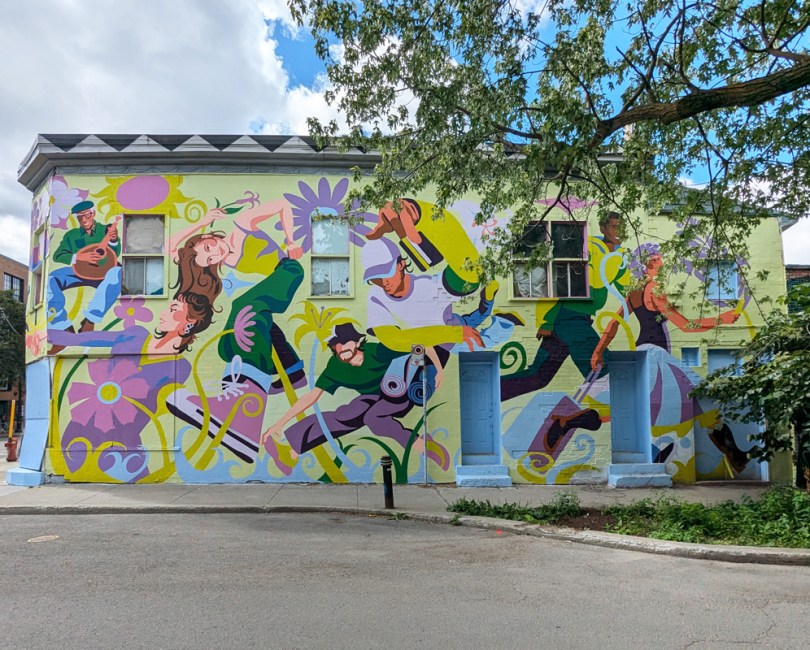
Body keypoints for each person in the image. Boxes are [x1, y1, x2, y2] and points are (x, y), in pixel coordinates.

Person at [262, 323, 443, 463]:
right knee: (343, 415)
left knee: (373, 418)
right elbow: (311, 397)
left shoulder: (378, 351)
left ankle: (421, 445)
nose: (341, 348)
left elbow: (421, 346)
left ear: (357, 342)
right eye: (336, 346)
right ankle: (291, 453)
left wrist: (439, 370)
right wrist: (279, 423)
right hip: (371, 397)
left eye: (344, 343)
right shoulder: (336, 366)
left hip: (398, 393)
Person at [500, 211, 630, 401]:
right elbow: (562, 284)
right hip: (570, 317)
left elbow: (627, 289)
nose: (619, 231)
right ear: (603, 228)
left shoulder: (619, 257)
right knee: (604, 370)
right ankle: (607, 409)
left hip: (575, 320)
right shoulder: (591, 248)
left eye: (622, 227)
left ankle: (491, 389)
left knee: (538, 376)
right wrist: (548, 321)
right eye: (614, 227)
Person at [362, 237, 522, 355]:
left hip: (451, 333)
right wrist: (456, 333)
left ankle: (503, 320)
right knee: (474, 319)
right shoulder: (376, 297)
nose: (383, 282)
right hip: (451, 330)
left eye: (387, 273)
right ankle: (487, 298)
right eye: (375, 278)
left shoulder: (428, 286)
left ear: (401, 264)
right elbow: (393, 340)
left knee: (483, 340)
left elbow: (461, 278)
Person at [48, 200, 122, 352]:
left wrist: (114, 240)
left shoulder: (105, 230)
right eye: (80, 217)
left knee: (117, 273)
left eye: (87, 215)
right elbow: (57, 255)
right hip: (79, 272)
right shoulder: (71, 235)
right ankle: (63, 329)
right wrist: (79, 257)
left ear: (93, 213)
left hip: (103, 272)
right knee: (51, 278)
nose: (84, 220)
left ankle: (89, 321)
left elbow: (115, 252)